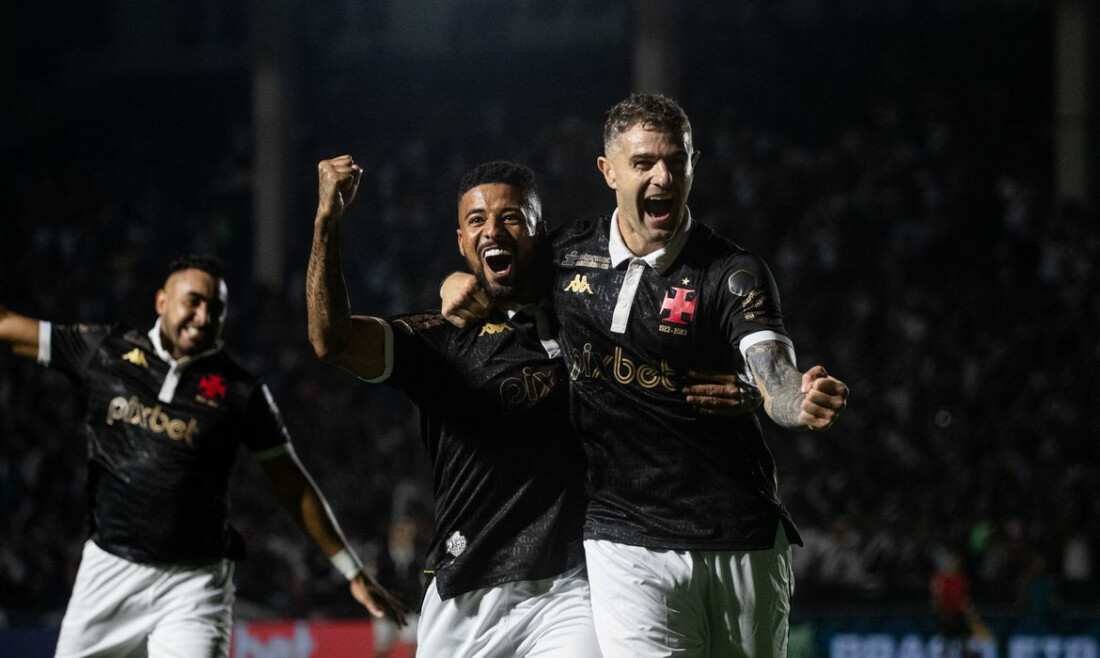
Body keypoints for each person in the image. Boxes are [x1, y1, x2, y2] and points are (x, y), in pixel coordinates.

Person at [442, 93, 850, 657]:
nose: (663, 177)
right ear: (608, 171)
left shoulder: (732, 272)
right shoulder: (565, 256)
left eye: (675, 161)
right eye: (644, 164)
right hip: (623, 539)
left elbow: (774, 371)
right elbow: (495, 274)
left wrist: (789, 398)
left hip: (739, 534)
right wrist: (452, 283)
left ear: (692, 165)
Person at [307, 156, 757, 657]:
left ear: (542, 233)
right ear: (460, 243)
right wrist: (328, 219)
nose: (493, 229)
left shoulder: (591, 315)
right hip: (463, 593)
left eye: (512, 217)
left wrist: (754, 385)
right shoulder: (441, 339)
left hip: (570, 588)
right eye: (476, 220)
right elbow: (332, 341)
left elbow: (671, 327)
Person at [0, 255, 406, 657]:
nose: (203, 315)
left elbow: (291, 485)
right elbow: (8, 327)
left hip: (194, 586)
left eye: (215, 308)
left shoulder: (241, 391)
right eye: (193, 301)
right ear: (162, 301)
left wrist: (352, 571)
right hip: (109, 571)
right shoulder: (105, 352)